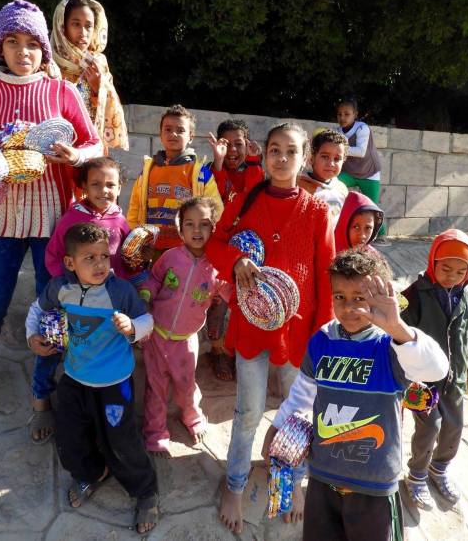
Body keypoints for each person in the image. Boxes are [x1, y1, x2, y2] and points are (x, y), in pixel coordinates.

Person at [0, 0, 101, 424]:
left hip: (52, 217)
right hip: (2, 216)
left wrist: (75, 155)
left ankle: (42, 393)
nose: (23, 52)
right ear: (0, 47)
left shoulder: (62, 92)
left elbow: (95, 144)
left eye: (33, 43)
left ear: (44, 49)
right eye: (13, 42)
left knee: (52, 305)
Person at [263, 250, 449, 540]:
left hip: (374, 486)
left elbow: (437, 368)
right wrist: (276, 427)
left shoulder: (392, 346)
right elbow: (302, 394)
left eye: (360, 298)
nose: (349, 307)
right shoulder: (322, 341)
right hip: (323, 477)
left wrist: (398, 328)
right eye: (340, 297)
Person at [206, 123, 335, 534]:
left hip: (299, 333)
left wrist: (323, 335)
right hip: (251, 327)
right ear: (264, 154)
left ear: (304, 158)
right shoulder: (245, 200)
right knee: (247, 411)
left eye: (291, 151)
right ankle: (235, 484)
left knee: (296, 415)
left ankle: (291, 481)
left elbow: (326, 274)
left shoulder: (318, 211)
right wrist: (235, 261)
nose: (281, 158)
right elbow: (214, 244)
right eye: (275, 150)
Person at [25, 223, 159, 533]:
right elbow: (36, 309)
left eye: (104, 256)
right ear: (70, 263)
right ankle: (91, 474)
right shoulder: (60, 288)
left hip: (115, 383)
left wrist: (133, 327)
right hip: (74, 378)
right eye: (90, 258)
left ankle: (145, 491)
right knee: (71, 436)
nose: (100, 264)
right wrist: (32, 336)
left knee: (121, 440)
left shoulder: (119, 291)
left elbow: (147, 321)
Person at [24, 157, 132, 443]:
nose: (104, 190)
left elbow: (125, 261)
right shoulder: (72, 219)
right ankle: (41, 401)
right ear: (83, 186)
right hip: (72, 300)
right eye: (96, 184)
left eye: (110, 185)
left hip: (106, 306)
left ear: (120, 187)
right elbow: (53, 256)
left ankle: (102, 402)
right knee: (52, 346)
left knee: (100, 348)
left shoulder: (120, 221)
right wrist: (72, 286)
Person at [139, 197, 229, 457]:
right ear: (180, 228)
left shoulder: (216, 267)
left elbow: (229, 293)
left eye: (204, 224)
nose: (196, 230)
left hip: (186, 340)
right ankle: (155, 432)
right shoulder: (170, 257)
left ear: (214, 228)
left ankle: (192, 417)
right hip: (156, 335)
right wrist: (145, 295)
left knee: (186, 385)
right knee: (155, 388)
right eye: (189, 224)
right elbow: (154, 280)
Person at [401, 229, 468, 509]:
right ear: (432, 261)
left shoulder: (467, 296)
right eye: (445, 268)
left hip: (454, 377)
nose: (452, 276)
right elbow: (400, 336)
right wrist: (404, 374)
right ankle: (417, 475)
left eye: (460, 271)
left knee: (454, 425)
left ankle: (439, 468)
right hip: (422, 380)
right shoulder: (414, 295)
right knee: (430, 426)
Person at [205, 119, 265, 381]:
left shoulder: (253, 171)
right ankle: (217, 351)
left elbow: (255, 192)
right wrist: (217, 164)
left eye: (238, 144)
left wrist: (253, 162)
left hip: (245, 251)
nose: (231, 150)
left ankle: (234, 351)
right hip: (218, 247)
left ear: (247, 145)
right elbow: (212, 195)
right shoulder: (209, 171)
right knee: (217, 303)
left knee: (241, 302)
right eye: (225, 144)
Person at [127, 104, 223, 256]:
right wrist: (136, 240)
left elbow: (216, 210)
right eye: (168, 129)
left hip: (187, 251)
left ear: (191, 136)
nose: (173, 134)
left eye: (180, 130)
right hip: (151, 251)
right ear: (160, 134)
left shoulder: (200, 173)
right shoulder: (147, 171)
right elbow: (134, 208)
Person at [50, 0, 128, 155]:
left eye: (88, 26)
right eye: (76, 24)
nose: (83, 33)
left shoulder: (98, 63)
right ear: (62, 26)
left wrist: (98, 88)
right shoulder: (48, 64)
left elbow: (113, 112)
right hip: (56, 150)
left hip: (91, 153)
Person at [336, 96, 386, 239]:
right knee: (333, 185)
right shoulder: (338, 130)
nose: (342, 117)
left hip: (369, 173)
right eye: (339, 114)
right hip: (350, 172)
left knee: (372, 206)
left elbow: (360, 151)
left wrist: (340, 148)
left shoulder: (362, 128)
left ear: (355, 114)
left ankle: (381, 235)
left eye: (347, 114)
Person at [298, 129, 349, 228]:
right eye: (325, 157)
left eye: (337, 159)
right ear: (311, 158)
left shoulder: (342, 189)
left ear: (343, 161)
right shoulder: (299, 186)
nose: (331, 164)